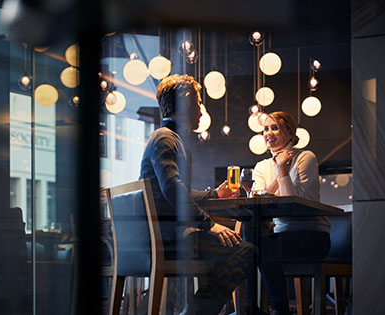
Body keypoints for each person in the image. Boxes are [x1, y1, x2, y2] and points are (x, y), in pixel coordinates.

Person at [140, 74, 254, 314]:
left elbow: (175, 187)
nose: (201, 111)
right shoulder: (165, 139)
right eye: (198, 103)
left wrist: (214, 194)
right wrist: (208, 224)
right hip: (169, 237)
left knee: (228, 250)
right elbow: (172, 189)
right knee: (245, 251)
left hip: (166, 234)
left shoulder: (168, 138)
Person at [251, 111, 331, 315]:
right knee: (249, 245)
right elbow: (256, 199)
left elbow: (293, 204)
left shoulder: (306, 157)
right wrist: (278, 168)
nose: (268, 132)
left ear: (290, 132)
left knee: (258, 247)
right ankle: (249, 308)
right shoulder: (262, 166)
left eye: (275, 127)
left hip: (312, 237)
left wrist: (283, 170)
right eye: (266, 128)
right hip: (281, 237)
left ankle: (279, 310)